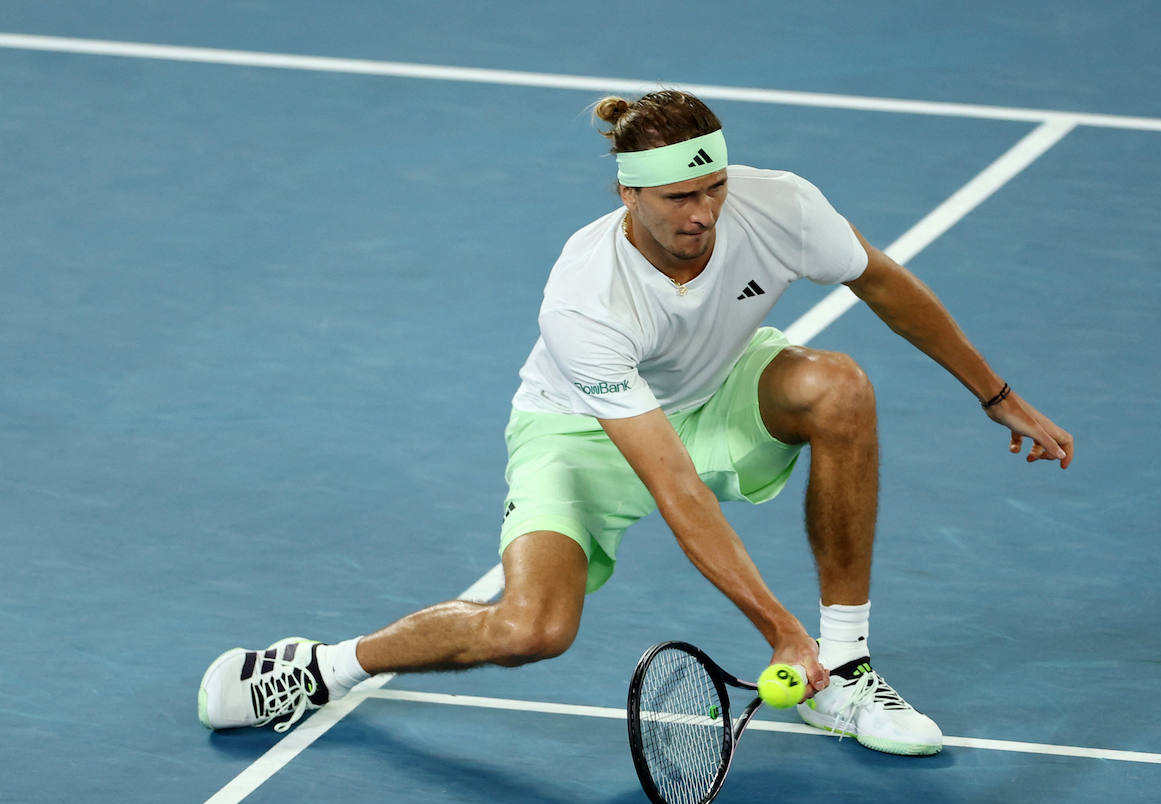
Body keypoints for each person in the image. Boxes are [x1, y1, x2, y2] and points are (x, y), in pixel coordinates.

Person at [198, 90, 1072, 755]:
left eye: (714, 187)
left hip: (722, 387)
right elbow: (675, 486)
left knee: (836, 386)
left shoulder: (779, 207)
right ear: (628, 192)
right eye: (679, 198)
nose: (703, 213)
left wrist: (995, 393)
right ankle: (321, 666)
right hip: (581, 433)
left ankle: (845, 670)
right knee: (530, 629)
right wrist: (777, 629)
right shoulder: (585, 297)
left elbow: (881, 281)